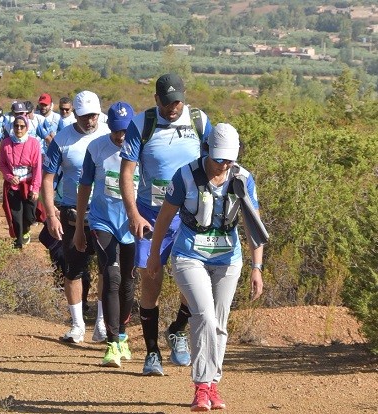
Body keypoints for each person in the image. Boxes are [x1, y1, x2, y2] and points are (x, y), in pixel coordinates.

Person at [146, 123, 265, 411]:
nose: (222, 165)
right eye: (217, 158)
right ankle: (201, 386)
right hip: (189, 255)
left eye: (228, 159)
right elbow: (163, 218)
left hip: (228, 258)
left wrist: (257, 266)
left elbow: (253, 225)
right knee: (204, 316)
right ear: (207, 151)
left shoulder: (243, 179)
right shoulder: (186, 176)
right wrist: (154, 255)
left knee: (220, 324)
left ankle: (213, 384)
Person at [119, 73, 212, 376]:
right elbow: (127, 171)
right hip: (151, 214)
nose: (173, 107)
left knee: (192, 281)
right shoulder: (141, 123)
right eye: (167, 101)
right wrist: (133, 213)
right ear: (156, 99)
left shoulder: (198, 121)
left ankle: (177, 330)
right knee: (151, 279)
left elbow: (215, 163)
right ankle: (152, 352)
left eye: (178, 101)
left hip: (189, 216)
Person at [41, 90, 111, 344]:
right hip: (71, 213)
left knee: (107, 269)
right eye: (84, 116)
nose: (89, 121)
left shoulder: (108, 134)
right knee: (73, 269)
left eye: (93, 116)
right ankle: (77, 324)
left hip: (103, 212)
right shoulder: (62, 139)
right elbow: (47, 178)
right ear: (76, 115)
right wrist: (51, 214)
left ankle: (102, 324)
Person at [73, 101, 137, 367]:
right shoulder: (96, 148)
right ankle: (111, 344)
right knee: (111, 277)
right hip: (103, 222)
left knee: (129, 282)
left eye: (125, 130)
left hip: (132, 224)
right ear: (108, 126)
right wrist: (79, 226)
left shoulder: (140, 149)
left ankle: (122, 336)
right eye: (116, 130)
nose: (121, 136)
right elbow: (84, 187)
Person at [0, 114, 43, 248]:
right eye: (16, 126)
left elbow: (37, 167)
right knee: (16, 215)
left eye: (22, 126)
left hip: (28, 184)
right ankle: (18, 241)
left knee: (29, 215)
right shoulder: (6, 143)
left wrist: (35, 188)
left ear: (27, 127)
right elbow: (1, 163)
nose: (19, 129)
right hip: (13, 185)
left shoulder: (33, 143)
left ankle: (26, 230)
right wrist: (9, 177)